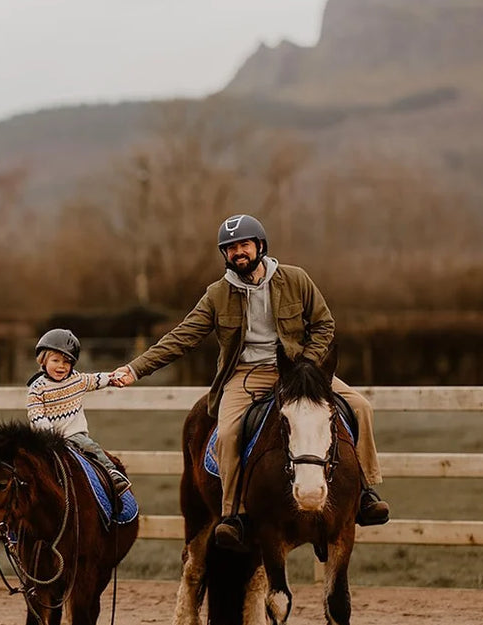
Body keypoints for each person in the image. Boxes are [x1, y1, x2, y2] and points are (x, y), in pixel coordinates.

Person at [111, 214, 389, 552]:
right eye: (230, 248)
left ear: (260, 246)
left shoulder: (296, 279)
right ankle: (233, 514)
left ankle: (365, 492)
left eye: (244, 245)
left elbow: (324, 325)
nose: (238, 252)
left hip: (299, 368)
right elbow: (183, 336)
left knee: (361, 407)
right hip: (247, 374)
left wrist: (307, 364)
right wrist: (135, 369)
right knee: (227, 434)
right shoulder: (217, 294)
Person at [26, 328, 131, 500]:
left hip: (74, 435)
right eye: (55, 360)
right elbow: (36, 414)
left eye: (67, 362)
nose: (61, 366)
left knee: (92, 448)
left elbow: (95, 379)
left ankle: (112, 475)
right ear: (43, 361)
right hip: (47, 438)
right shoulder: (37, 387)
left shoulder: (76, 380)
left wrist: (112, 378)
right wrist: (48, 432)